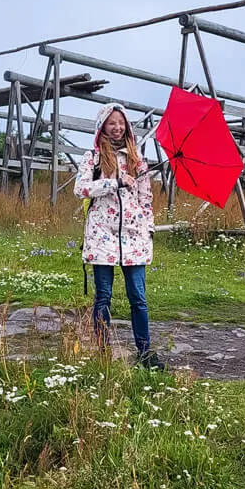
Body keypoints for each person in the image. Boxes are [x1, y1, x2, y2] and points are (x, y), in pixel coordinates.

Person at [74, 103, 165, 369]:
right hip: (102, 235)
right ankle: (103, 353)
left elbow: (145, 198)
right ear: (103, 125)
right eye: (112, 122)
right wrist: (113, 182)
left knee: (138, 297)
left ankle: (145, 352)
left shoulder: (138, 161)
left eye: (121, 122)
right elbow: (81, 190)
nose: (117, 127)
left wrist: (147, 228)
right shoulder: (92, 158)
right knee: (103, 296)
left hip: (134, 237)